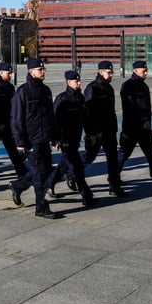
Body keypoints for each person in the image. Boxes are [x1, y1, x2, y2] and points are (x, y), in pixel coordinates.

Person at [9, 58, 60, 218]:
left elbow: (50, 116)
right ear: (31, 72)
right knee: (40, 175)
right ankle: (41, 207)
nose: (43, 72)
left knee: (44, 171)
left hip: (44, 137)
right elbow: (16, 118)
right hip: (32, 140)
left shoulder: (45, 91)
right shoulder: (23, 92)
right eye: (40, 70)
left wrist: (55, 137)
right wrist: (20, 142)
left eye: (43, 69)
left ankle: (18, 186)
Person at [118, 60, 152, 190]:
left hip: (145, 128)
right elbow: (130, 107)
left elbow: (146, 107)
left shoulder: (143, 85)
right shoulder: (128, 86)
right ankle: (113, 179)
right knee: (123, 154)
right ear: (135, 70)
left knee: (151, 153)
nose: (146, 73)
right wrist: (143, 121)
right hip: (132, 127)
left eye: (146, 70)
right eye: (144, 70)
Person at [47, 70, 97, 207]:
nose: (79, 83)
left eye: (79, 81)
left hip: (75, 138)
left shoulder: (80, 98)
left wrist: (90, 133)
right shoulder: (62, 99)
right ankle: (87, 196)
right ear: (68, 82)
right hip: (65, 139)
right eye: (76, 81)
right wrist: (55, 139)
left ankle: (45, 183)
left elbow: (85, 118)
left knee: (64, 165)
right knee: (77, 168)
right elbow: (54, 120)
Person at [83, 61, 126, 196]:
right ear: (101, 72)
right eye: (109, 72)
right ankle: (71, 174)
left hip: (109, 131)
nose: (111, 74)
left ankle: (114, 186)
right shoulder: (92, 88)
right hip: (97, 132)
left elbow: (111, 111)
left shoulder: (109, 88)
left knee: (112, 159)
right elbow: (88, 112)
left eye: (112, 72)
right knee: (89, 157)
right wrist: (92, 133)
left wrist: (114, 128)